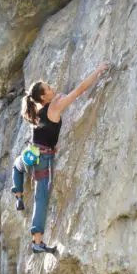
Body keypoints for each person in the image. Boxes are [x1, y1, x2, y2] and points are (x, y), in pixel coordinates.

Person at [10, 62, 111, 253]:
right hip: (44, 158)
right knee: (41, 198)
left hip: (32, 153)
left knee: (16, 166)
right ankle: (37, 241)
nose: (52, 87)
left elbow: (45, 132)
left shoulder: (37, 112)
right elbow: (80, 90)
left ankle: (18, 195)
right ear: (43, 96)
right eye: (48, 88)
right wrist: (98, 70)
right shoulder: (55, 106)